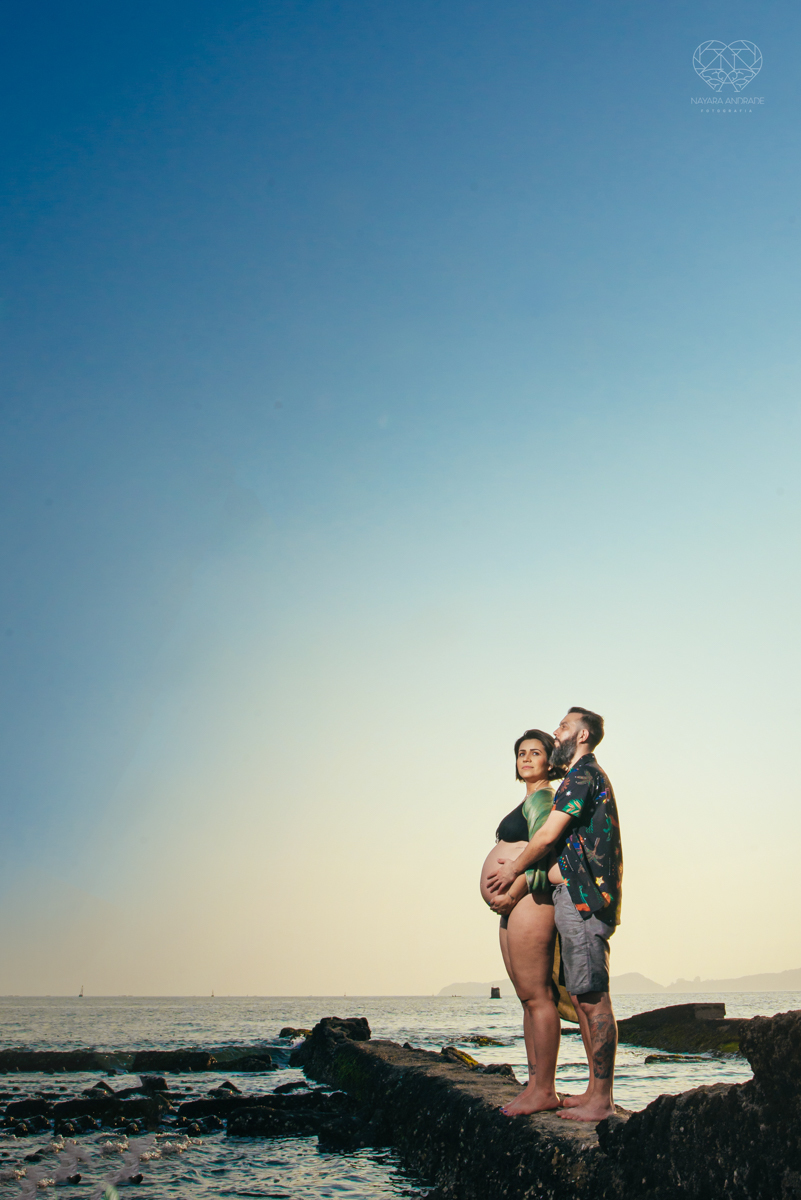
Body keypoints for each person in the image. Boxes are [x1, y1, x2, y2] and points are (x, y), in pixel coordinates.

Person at [486, 707, 623, 1123]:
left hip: (585, 898)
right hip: (572, 896)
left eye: (563, 726)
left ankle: (600, 1099)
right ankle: (592, 1092)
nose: (557, 731)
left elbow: (546, 836)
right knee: (581, 996)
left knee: (592, 998)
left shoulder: (582, 776)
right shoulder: (576, 779)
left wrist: (512, 873)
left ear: (581, 735)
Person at [479, 730, 565, 1114]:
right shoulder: (530, 799)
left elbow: (546, 851)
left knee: (538, 996)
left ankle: (544, 1089)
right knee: (527, 999)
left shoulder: (545, 798)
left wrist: (513, 893)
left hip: (529, 900)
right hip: (515, 904)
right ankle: (535, 1086)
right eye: (521, 753)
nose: (526, 758)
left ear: (551, 761)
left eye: (535, 752)